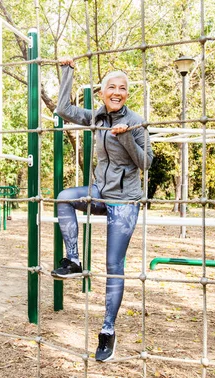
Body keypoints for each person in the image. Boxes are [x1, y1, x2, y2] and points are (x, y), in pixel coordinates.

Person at [52, 58, 153, 362]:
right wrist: (67, 71)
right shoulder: (97, 117)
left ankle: (107, 331)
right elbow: (63, 110)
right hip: (100, 192)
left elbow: (146, 162)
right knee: (64, 197)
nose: (117, 91)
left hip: (124, 200)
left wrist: (126, 138)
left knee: (113, 265)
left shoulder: (136, 121)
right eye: (112, 86)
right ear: (102, 92)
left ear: (127, 94)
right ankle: (73, 259)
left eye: (123, 88)